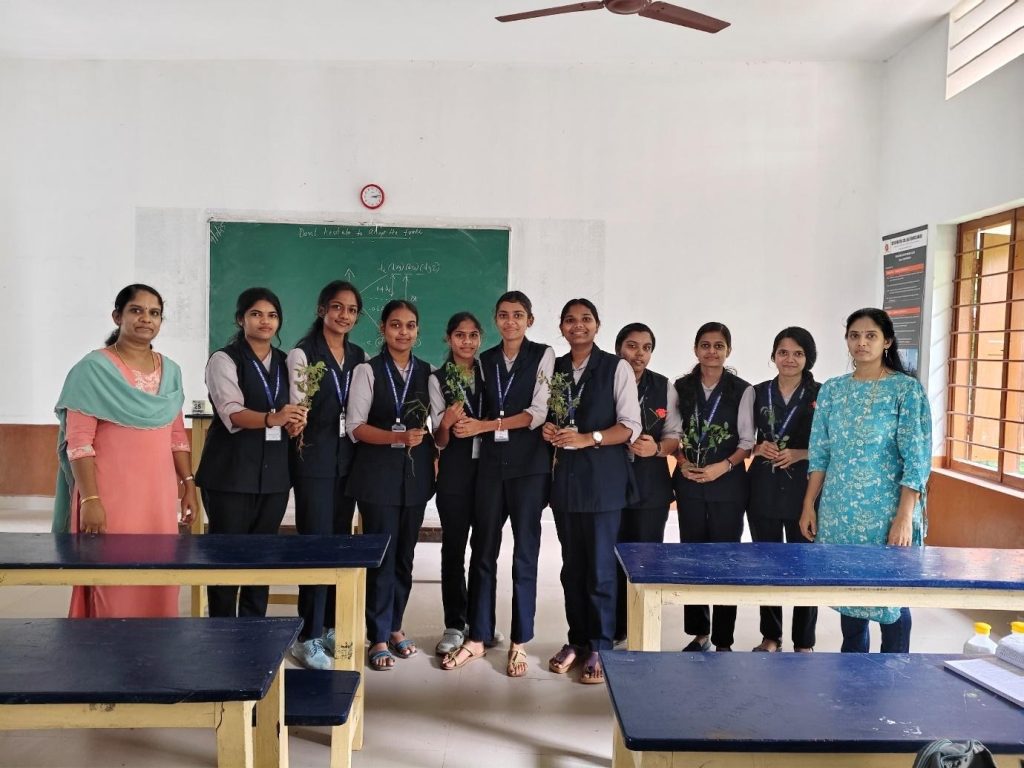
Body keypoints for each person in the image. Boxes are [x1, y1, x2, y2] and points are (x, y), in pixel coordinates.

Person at [54, 283, 196, 618]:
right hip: (110, 495)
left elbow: (176, 435)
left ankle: (157, 645)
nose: (146, 318)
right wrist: (90, 500)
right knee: (113, 577)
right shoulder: (92, 369)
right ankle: (109, 646)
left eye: (154, 313)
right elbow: (79, 442)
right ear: (117, 316)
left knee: (161, 576)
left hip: (158, 497)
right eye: (136, 310)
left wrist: (188, 484)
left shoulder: (171, 371)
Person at [800, 308, 931, 653]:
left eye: (871, 335)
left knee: (891, 599)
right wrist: (809, 504)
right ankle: (853, 673)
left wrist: (905, 516)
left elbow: (917, 459)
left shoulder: (905, 390)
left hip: (887, 513)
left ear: (887, 341)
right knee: (851, 598)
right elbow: (820, 453)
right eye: (854, 335)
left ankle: (895, 670)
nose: (861, 342)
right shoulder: (833, 390)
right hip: (840, 513)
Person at [441, 291, 554, 678]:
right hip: (491, 467)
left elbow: (538, 413)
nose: (510, 322)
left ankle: (520, 640)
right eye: (504, 315)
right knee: (483, 551)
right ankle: (478, 635)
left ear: (529, 320)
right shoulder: (484, 361)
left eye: (518, 315)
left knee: (525, 554)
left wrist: (485, 426)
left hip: (529, 469)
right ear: (496, 319)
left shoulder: (543, 355)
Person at [543, 299, 641, 684]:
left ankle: (601, 645)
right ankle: (577, 640)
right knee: (572, 569)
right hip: (566, 482)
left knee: (600, 569)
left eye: (586, 319)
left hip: (603, 483)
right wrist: (549, 429)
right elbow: (547, 415)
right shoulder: (554, 369)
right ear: (561, 327)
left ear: (597, 325)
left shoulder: (616, 368)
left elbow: (629, 426)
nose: (578, 325)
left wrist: (589, 438)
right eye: (570, 320)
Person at [196, 287, 307, 618]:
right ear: (240, 319)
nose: (265, 321)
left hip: (274, 476)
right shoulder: (224, 359)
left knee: (263, 556)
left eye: (272, 315)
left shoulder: (287, 362)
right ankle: (222, 627)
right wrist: (274, 418)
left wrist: (295, 423)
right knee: (227, 556)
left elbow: (295, 408)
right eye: (256, 314)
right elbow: (231, 412)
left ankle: (254, 627)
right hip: (230, 474)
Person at [348, 299, 435, 671]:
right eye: (396, 325)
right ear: (382, 329)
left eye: (410, 325)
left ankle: (396, 626)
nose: (403, 332)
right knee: (381, 558)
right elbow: (355, 427)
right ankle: (378, 636)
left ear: (418, 331)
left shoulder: (429, 372)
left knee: (405, 557)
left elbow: (437, 425)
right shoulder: (367, 371)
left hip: (414, 478)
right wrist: (397, 438)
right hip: (377, 476)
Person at [286, 280, 366, 670]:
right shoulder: (303, 353)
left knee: (338, 544)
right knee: (315, 545)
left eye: (351, 310)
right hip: (314, 459)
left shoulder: (359, 355)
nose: (344, 315)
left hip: (347, 460)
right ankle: (308, 635)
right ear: (322, 310)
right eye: (337, 307)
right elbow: (296, 404)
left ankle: (330, 624)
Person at [673, 322, 754, 653]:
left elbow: (747, 441)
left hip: (728, 485)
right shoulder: (681, 387)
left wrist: (723, 466)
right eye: (705, 345)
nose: (711, 351)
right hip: (690, 482)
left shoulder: (742, 390)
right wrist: (681, 461)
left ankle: (723, 640)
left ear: (728, 351)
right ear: (696, 349)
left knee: (725, 560)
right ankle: (698, 634)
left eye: (719, 346)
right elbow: (673, 434)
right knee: (692, 557)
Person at [747, 327, 820, 653]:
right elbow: (742, 439)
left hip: (805, 491)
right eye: (783, 352)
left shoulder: (822, 394)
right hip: (763, 487)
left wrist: (801, 453)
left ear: (808, 358)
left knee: (805, 565)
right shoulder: (757, 392)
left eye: (798, 353)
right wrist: (757, 448)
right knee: (768, 564)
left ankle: (804, 641)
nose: (789, 359)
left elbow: (831, 444)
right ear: (774, 356)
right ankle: (771, 636)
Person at [613, 323, 681, 644]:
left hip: (651, 485)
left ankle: (642, 625)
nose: (639, 354)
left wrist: (656, 449)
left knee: (646, 558)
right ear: (618, 348)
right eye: (632, 346)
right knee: (612, 556)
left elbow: (674, 437)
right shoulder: (606, 379)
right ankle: (615, 625)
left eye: (646, 347)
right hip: (610, 482)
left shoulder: (664, 386)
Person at [429, 312, 484, 656]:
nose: (467, 341)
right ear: (449, 339)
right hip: (454, 473)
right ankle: (454, 622)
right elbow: (438, 440)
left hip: (488, 473)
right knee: (453, 549)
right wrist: (447, 422)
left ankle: (479, 623)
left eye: (473, 335)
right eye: (460, 335)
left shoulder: (490, 373)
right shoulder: (437, 379)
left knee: (484, 550)